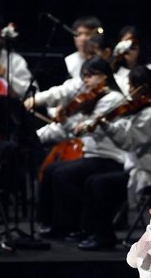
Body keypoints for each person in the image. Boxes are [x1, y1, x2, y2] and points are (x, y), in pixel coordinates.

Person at [75, 65, 151, 250]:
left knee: (100, 184)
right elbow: (124, 128)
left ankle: (104, 236)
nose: (128, 90)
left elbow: (129, 141)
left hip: (150, 173)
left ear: (142, 87)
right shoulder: (142, 109)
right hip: (137, 168)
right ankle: (91, 231)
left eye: (131, 85)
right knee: (92, 181)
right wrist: (103, 123)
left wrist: (106, 126)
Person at [32, 56, 127, 238]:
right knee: (50, 170)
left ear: (104, 76)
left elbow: (91, 129)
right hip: (92, 156)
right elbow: (78, 131)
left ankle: (69, 225)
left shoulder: (113, 98)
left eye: (90, 76)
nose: (85, 81)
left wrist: (77, 123)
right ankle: (49, 223)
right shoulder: (93, 100)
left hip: (109, 158)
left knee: (63, 174)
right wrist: (65, 121)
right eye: (84, 76)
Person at [65, 16, 104, 80]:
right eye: (79, 34)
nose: (83, 39)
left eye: (88, 34)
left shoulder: (104, 59)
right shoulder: (68, 61)